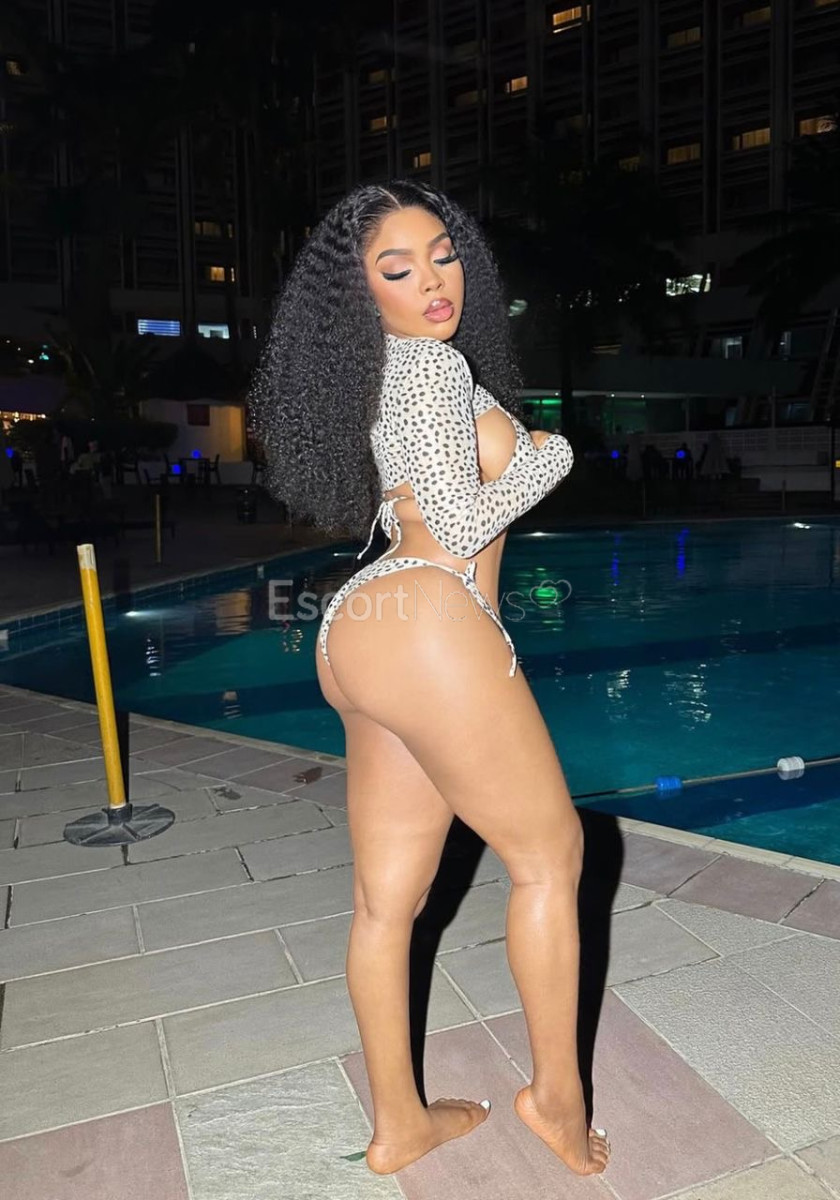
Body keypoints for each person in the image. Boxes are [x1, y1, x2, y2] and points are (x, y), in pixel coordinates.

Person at [251, 181, 610, 1180]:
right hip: (430, 621)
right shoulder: (429, 370)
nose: (432, 280)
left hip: (361, 629)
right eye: (398, 268)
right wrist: (552, 455)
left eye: (442, 254)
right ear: (362, 293)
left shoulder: (395, 373)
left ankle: (400, 1125)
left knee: (385, 904)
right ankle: (558, 1102)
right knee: (551, 859)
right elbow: (457, 522)